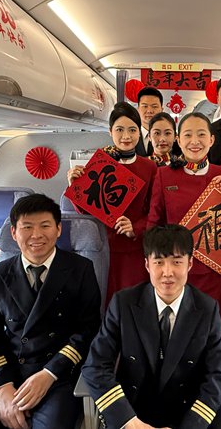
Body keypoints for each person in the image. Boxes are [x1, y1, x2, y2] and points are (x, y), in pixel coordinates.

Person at [0, 194, 101, 429]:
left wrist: (49, 374)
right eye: (27, 227)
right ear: (14, 233)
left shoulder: (80, 269)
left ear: (58, 229)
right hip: (8, 369)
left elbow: (88, 331)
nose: (36, 235)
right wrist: (2, 388)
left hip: (58, 374)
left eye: (45, 226)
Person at [81, 224, 221, 429]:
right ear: (147, 265)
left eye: (177, 262)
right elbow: (95, 365)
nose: (167, 272)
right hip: (134, 410)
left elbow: (219, 373)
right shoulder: (124, 303)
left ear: (190, 264)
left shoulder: (207, 309)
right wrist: (130, 422)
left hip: (189, 409)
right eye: (159, 262)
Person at [147, 112, 221, 325]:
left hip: (215, 270)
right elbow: (154, 223)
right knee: (178, 326)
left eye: (201, 134)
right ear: (178, 140)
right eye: (188, 135)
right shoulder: (164, 175)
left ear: (211, 140)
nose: (194, 141)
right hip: (176, 268)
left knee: (212, 326)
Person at [67, 102, 157, 305]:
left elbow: (154, 210)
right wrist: (75, 186)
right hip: (101, 244)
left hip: (134, 247)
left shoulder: (149, 167)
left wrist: (136, 228)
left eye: (132, 130)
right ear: (110, 132)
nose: (126, 136)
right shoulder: (99, 163)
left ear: (139, 132)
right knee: (103, 301)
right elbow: (85, 212)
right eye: (119, 129)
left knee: (133, 303)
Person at [136, 86, 164, 156]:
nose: (149, 111)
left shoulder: (172, 137)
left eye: (154, 106)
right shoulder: (130, 136)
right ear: (138, 109)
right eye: (145, 106)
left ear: (161, 110)